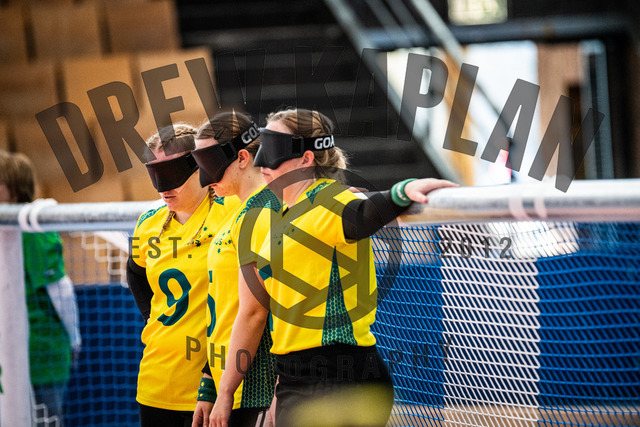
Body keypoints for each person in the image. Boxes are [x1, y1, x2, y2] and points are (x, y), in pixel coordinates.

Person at [206, 108, 458, 427]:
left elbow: (362, 215)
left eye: (274, 150)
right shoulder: (278, 217)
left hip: (338, 378)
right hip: (295, 377)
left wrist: (401, 191)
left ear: (306, 158)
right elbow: (270, 313)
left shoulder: (329, 201)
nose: (263, 163)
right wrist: (260, 392)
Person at [126, 124, 239, 427]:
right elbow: (134, 272)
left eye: (173, 173)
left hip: (219, 384)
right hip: (157, 381)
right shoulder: (148, 224)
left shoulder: (234, 211)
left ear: (199, 165)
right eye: (155, 174)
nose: (163, 187)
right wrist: (151, 317)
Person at [189, 111, 278, 427]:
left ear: (242, 157)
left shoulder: (264, 212)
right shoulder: (237, 211)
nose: (205, 178)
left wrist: (227, 391)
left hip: (255, 385)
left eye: (210, 164)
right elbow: (225, 307)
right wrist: (211, 385)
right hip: (231, 381)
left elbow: (258, 311)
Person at [0, 150, 81, 427]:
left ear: (14, 188)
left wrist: (74, 338)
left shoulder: (36, 234)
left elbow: (61, 293)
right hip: (8, 354)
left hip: (41, 356)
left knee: (45, 420)